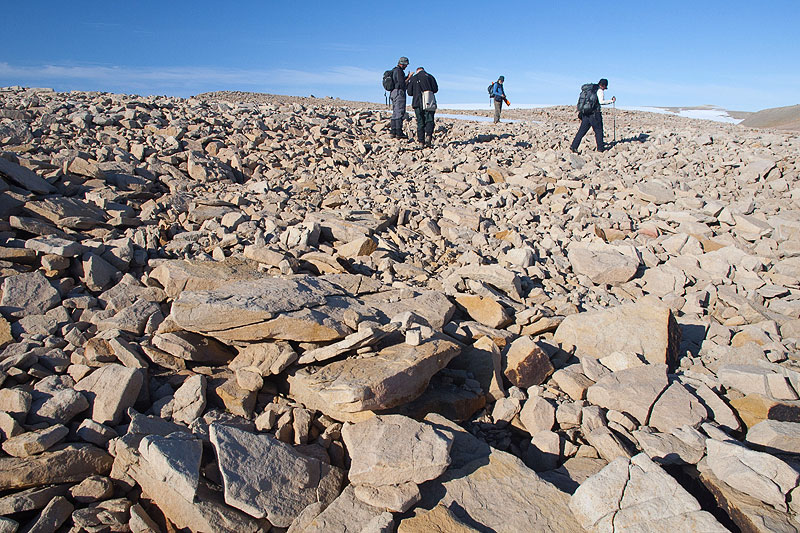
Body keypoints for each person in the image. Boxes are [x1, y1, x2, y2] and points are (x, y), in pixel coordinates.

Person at [570, 78, 616, 153]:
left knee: (581, 131)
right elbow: (601, 102)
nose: (604, 89)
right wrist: (611, 101)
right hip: (595, 114)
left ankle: (574, 146)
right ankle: (600, 148)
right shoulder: (599, 90)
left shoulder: (590, 90)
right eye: (605, 87)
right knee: (598, 131)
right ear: (603, 85)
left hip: (586, 114)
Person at [407, 66, 439, 147]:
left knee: (420, 122)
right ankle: (428, 136)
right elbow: (435, 89)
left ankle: (421, 141)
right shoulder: (430, 77)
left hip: (417, 103)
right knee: (429, 120)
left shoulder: (413, 78)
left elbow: (409, 92)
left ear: (417, 71)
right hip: (429, 101)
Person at [389, 57, 412, 140]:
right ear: (403, 64)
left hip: (393, 93)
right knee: (399, 111)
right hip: (399, 93)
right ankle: (399, 132)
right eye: (406, 65)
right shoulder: (399, 71)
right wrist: (409, 78)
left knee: (395, 111)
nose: (406, 67)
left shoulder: (394, 70)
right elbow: (402, 83)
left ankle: (393, 131)